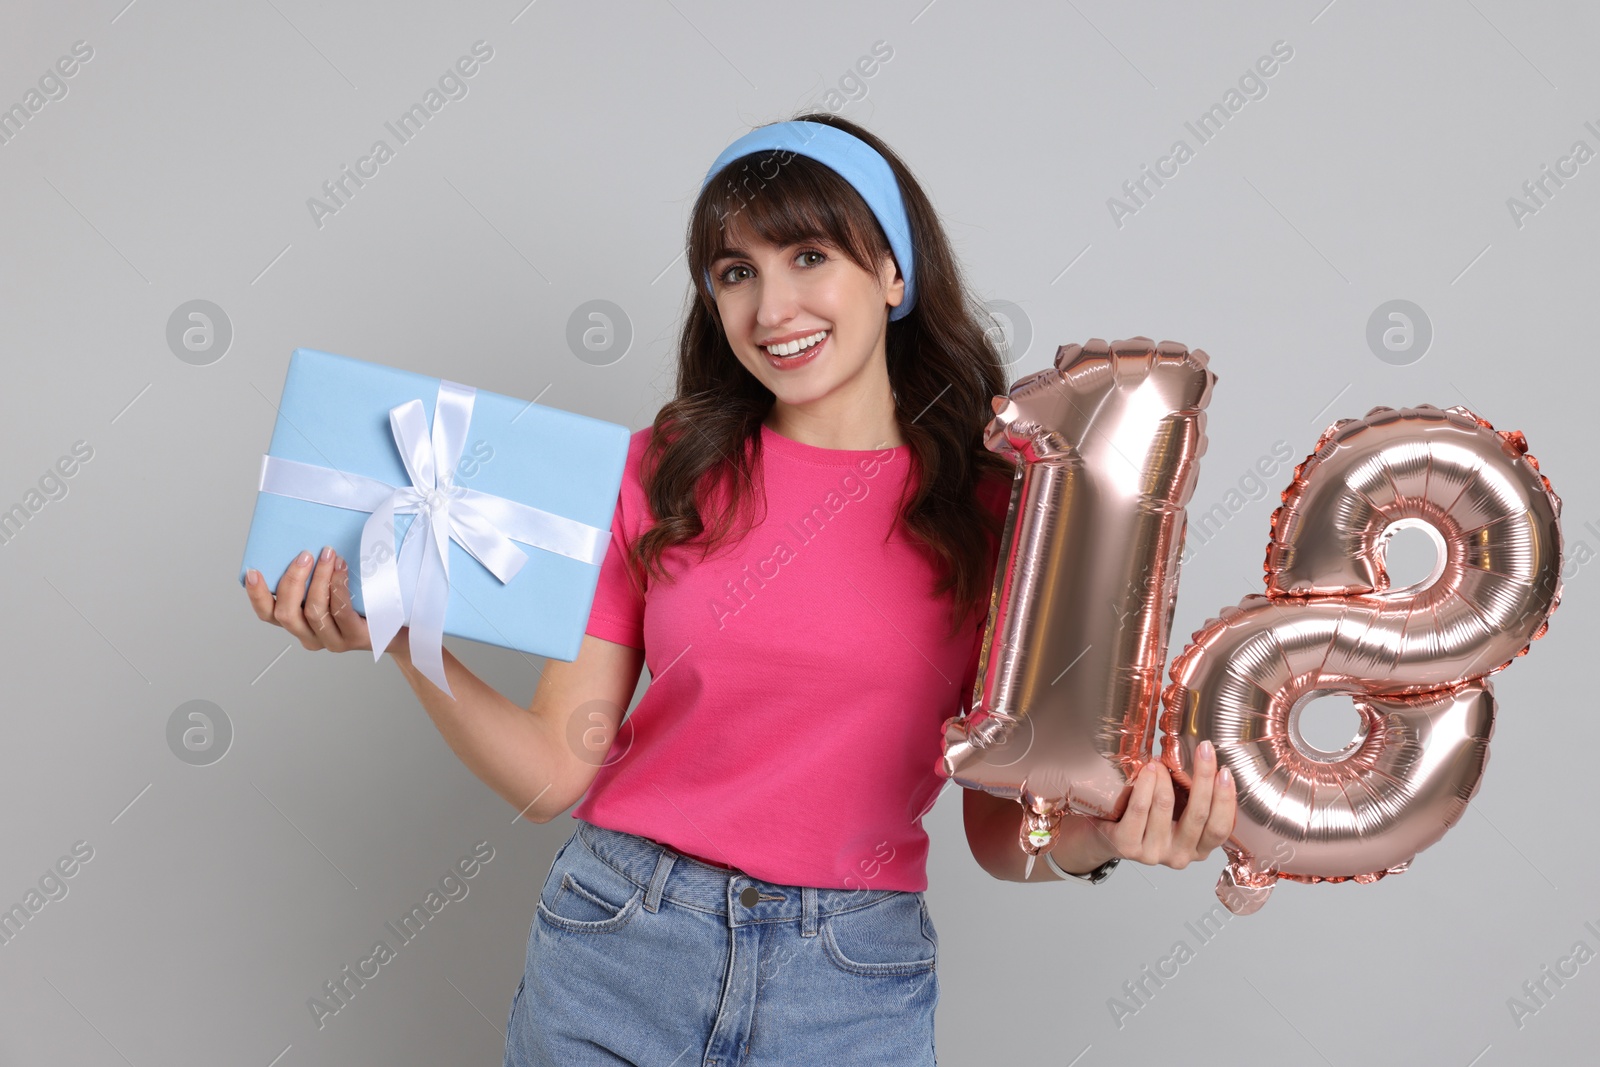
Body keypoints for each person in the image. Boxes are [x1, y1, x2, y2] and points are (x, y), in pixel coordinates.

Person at [243, 111, 1236, 1066]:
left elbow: (996, 831)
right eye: (735, 272)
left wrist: (1105, 830)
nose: (771, 308)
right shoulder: (661, 471)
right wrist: (410, 637)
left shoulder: (1001, 513)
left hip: (847, 984)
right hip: (615, 944)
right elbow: (555, 767)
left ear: (892, 272)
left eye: (809, 257)